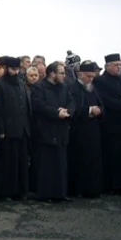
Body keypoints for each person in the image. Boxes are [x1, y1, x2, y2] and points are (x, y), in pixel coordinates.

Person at [93, 53, 121, 194]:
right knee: (112, 155)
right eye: (116, 65)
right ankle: (112, 185)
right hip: (111, 124)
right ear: (108, 66)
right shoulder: (100, 81)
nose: (119, 67)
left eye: (120, 65)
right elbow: (104, 99)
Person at [30, 62, 75, 202]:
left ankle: (60, 193)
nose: (64, 75)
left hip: (61, 130)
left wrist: (68, 111)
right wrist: (56, 113)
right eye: (61, 73)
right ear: (52, 73)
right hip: (46, 130)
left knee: (61, 163)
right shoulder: (39, 87)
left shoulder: (64, 87)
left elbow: (72, 101)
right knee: (46, 164)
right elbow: (38, 105)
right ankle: (45, 194)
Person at [0, 56, 31, 201]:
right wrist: (1, 130)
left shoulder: (21, 83)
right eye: (13, 69)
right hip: (8, 130)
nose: (16, 72)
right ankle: (6, 192)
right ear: (6, 69)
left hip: (22, 129)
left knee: (21, 161)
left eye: (17, 69)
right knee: (8, 163)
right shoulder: (0, 84)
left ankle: (22, 191)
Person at [67, 62, 104, 198]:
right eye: (88, 76)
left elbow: (101, 104)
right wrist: (89, 110)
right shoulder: (72, 88)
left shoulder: (93, 88)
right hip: (78, 130)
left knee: (93, 161)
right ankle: (78, 189)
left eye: (92, 77)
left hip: (93, 130)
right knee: (79, 160)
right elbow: (72, 108)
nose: (90, 79)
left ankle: (92, 189)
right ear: (80, 74)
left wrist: (100, 110)